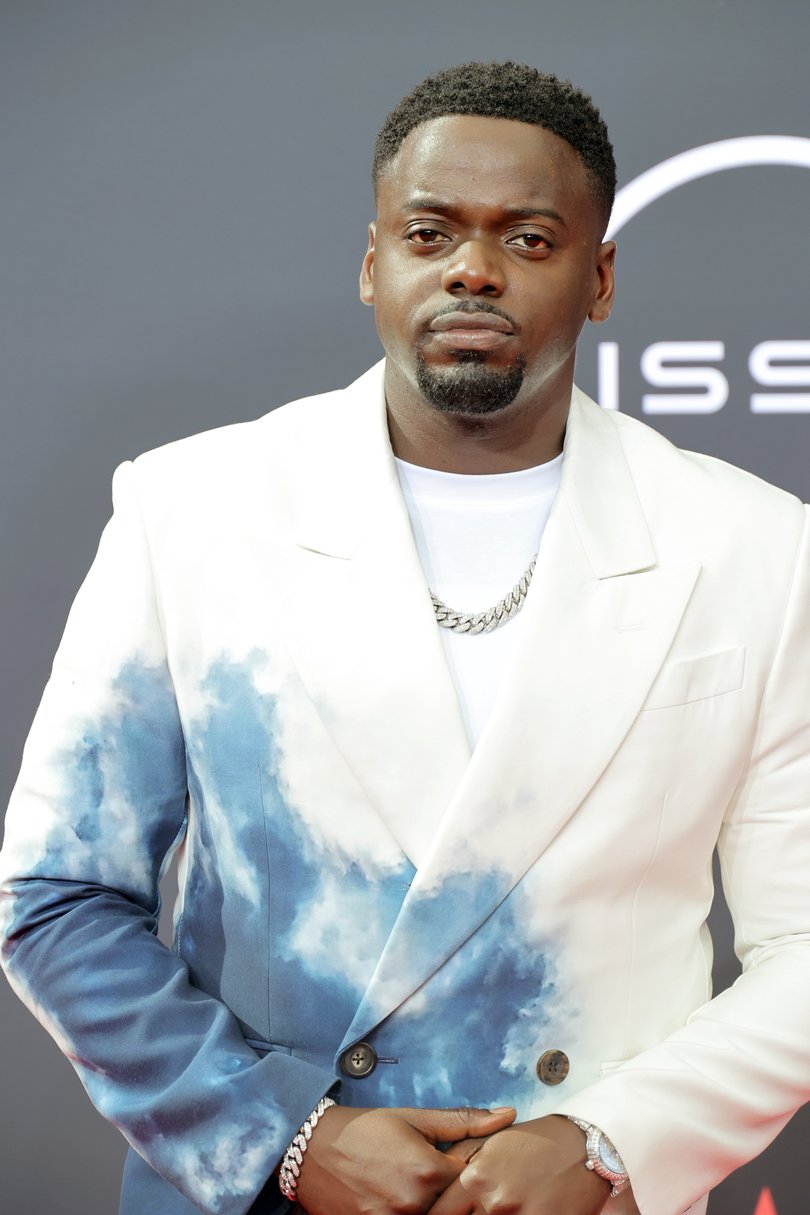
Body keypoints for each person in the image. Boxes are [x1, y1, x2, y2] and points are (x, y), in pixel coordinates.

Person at [1, 59, 810, 1215]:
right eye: (431, 232)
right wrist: (282, 1130)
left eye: (529, 239)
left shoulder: (757, 548)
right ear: (374, 263)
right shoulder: (192, 511)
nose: (472, 268)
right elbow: (58, 894)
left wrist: (612, 1142)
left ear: (602, 278)